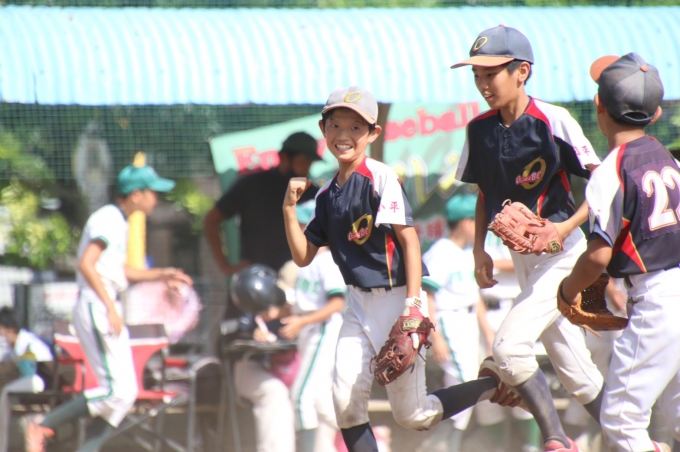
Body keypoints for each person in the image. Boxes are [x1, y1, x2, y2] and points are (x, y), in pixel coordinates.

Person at [282, 86, 509, 452]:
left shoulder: (380, 177)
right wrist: (289, 209)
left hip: (397, 300)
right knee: (345, 404)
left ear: (373, 133)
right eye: (336, 125)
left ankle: (489, 384)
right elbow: (303, 256)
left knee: (414, 415)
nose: (344, 134)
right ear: (323, 129)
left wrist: (413, 305)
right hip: (357, 304)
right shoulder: (325, 196)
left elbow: (410, 241)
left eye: (356, 127)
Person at [452, 25, 604, 451]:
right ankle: (638, 442)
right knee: (577, 374)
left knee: (509, 348)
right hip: (523, 258)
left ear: (522, 71)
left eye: (491, 73)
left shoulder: (553, 119)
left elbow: (602, 185)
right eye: (477, 75)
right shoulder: (478, 129)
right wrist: (479, 249)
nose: (483, 84)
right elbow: (483, 193)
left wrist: (566, 227)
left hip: (561, 252)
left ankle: (555, 439)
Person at [24, 164, 193, 452]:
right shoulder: (108, 218)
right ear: (136, 194)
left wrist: (162, 274)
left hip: (104, 302)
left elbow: (118, 271)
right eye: (153, 192)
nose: (157, 199)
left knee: (125, 395)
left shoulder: (119, 221)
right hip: (97, 303)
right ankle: (43, 424)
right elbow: (86, 264)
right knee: (116, 392)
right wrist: (109, 307)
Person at [559, 52, 680, 452]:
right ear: (656, 113)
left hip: (657, 300)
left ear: (599, 105)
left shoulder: (611, 170)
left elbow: (597, 256)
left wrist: (567, 291)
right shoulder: (668, 159)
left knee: (621, 419)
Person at [418, 193, 495, 452]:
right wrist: (435, 336)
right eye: (476, 222)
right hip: (448, 321)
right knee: (464, 387)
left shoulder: (466, 253)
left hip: (468, 323)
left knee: (466, 389)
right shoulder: (441, 251)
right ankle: (436, 445)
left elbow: (475, 298)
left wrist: (488, 335)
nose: (480, 228)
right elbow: (427, 296)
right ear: (465, 222)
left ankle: (437, 445)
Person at [278, 200, 346, 452]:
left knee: (301, 397)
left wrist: (302, 321)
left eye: (301, 224)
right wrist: (278, 312)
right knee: (322, 403)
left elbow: (337, 303)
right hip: (311, 330)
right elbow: (302, 304)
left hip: (324, 329)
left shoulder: (328, 261)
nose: (296, 229)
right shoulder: (305, 261)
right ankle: (372, 439)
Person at [204, 131, 321, 276]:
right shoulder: (251, 186)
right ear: (284, 158)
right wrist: (225, 267)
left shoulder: (314, 194)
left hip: (299, 281)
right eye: (303, 162)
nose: (307, 169)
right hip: (256, 280)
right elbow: (211, 220)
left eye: (310, 163)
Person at [475, 231, 542, 452]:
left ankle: (531, 447)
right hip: (486, 312)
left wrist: (493, 264)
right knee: (487, 388)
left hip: (518, 310)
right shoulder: (480, 234)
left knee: (522, 380)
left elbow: (536, 262)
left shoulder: (524, 227)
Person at [229, 264, 298, 452]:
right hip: (251, 366)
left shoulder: (303, 310)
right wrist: (253, 335)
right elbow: (234, 340)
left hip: (292, 366)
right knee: (274, 392)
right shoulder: (251, 301)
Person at [0, 307, 53, 452]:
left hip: (40, 381)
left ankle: (2, 446)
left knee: (6, 392)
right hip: (34, 383)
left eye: (2, 332)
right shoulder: (17, 344)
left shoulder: (28, 343)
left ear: (11, 329)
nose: (2, 337)